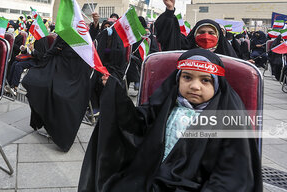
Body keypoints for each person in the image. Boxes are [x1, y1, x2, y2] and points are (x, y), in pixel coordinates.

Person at [79, 48, 262, 191]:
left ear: (217, 84)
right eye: (187, 77)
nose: (195, 86)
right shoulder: (167, 103)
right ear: (178, 79)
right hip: (148, 176)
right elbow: (135, 125)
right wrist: (116, 94)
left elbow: (232, 175)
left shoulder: (228, 117)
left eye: (205, 80)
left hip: (196, 184)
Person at [21, 35, 92, 152]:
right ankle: (46, 122)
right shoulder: (62, 38)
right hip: (56, 71)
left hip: (74, 79)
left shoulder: (82, 43)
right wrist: (53, 51)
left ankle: (59, 132)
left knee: (61, 97)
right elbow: (47, 57)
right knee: (33, 83)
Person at [155, 0, 237, 57]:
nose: (206, 36)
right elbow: (168, 34)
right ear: (194, 34)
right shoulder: (183, 48)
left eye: (211, 33)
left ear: (219, 36)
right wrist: (170, 10)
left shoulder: (227, 54)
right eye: (201, 32)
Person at [91, 19, 125, 114]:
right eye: (105, 27)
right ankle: (95, 106)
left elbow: (121, 59)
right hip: (100, 67)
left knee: (109, 81)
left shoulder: (118, 41)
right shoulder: (100, 40)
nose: (107, 29)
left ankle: (108, 107)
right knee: (91, 80)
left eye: (108, 27)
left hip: (114, 68)